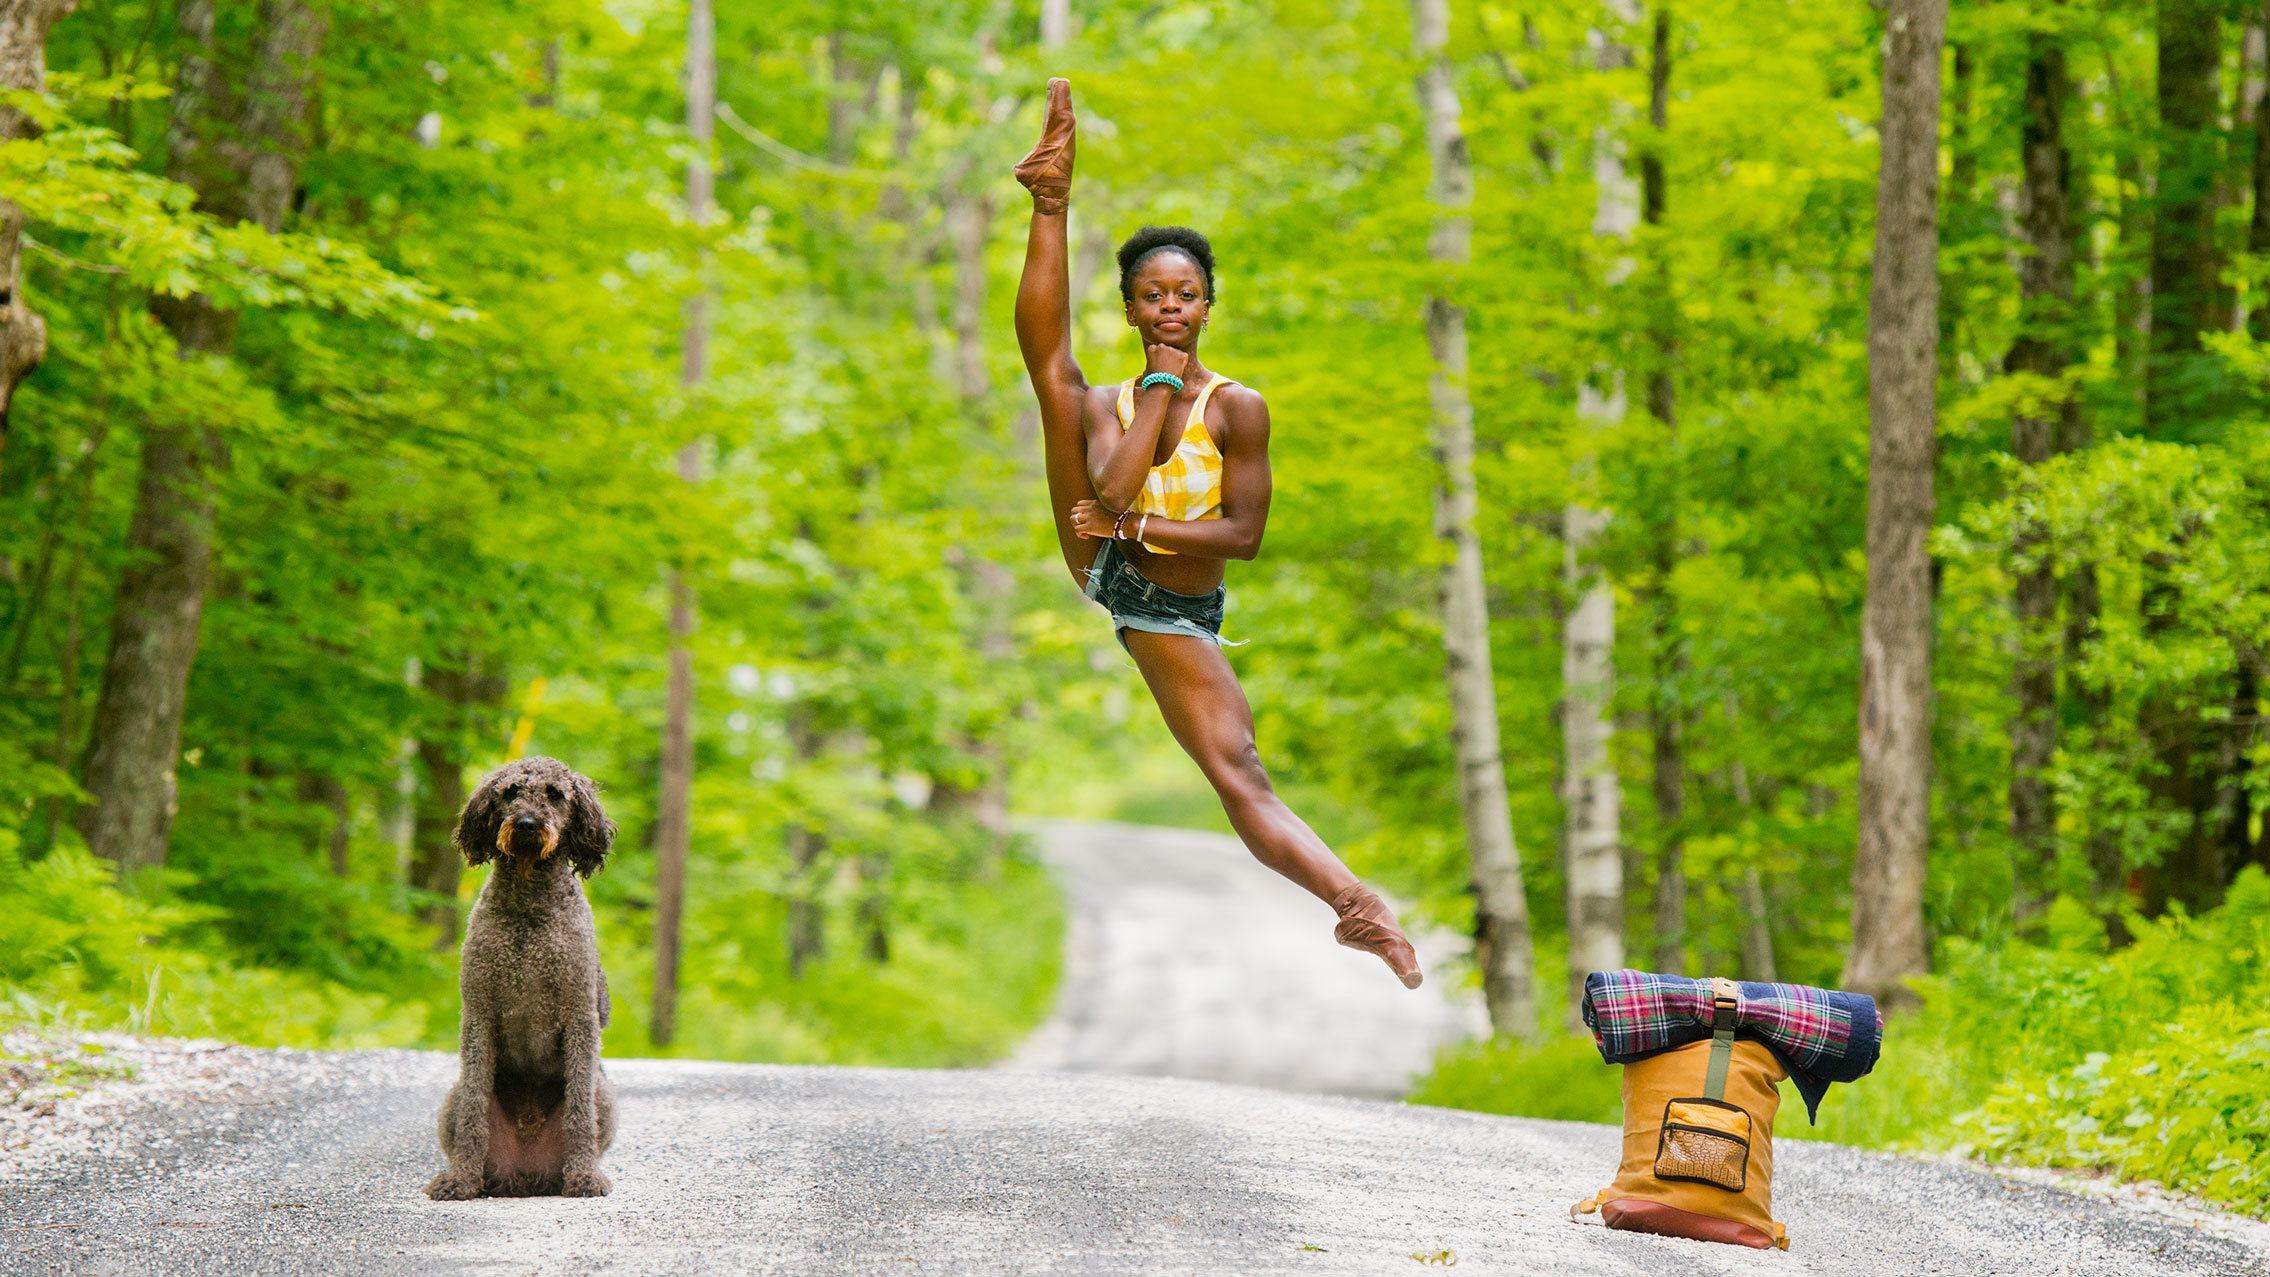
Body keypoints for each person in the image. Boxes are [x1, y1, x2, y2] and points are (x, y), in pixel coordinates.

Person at [1011, 78, 1422, 989]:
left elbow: (1239, 535)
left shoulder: (1240, 408)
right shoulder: (1108, 403)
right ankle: (1050, 199)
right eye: (1151, 295)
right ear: (1130, 309)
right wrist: (1155, 392)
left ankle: (1359, 907)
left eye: (1186, 294)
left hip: (1173, 594)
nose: (1169, 306)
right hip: (1107, 562)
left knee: (1238, 769)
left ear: (1207, 306)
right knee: (1053, 379)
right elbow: (1111, 486)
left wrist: (1139, 516)